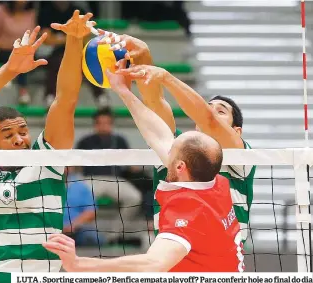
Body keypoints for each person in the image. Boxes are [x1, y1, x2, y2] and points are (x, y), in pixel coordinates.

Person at [43, 67, 243, 272]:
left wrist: (79, 264)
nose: (168, 145)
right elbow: (159, 134)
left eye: (173, 148)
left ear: (180, 166)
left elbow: (153, 263)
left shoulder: (188, 210)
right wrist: (122, 90)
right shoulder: (216, 182)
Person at [0, 11, 96, 282]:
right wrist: (9, 70)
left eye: (23, 131)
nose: (19, 139)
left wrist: (74, 41)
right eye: (8, 134)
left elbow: (65, 101)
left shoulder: (47, 163)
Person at [98, 31, 256, 243]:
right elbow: (155, 102)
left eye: (221, 111)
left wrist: (166, 77)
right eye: (209, 107)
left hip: (220, 255)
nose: (210, 112)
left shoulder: (240, 156)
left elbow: (207, 118)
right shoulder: (179, 145)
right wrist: (143, 54)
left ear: (236, 131)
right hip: (172, 252)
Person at [38, 1, 107, 108]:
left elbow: (85, 35)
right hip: (54, 50)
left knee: (89, 60)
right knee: (56, 61)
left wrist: (62, 37)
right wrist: (71, 36)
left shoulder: (79, 11)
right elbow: (47, 39)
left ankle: (100, 96)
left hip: (78, 48)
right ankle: (50, 96)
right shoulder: (46, 12)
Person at [0, 0, 36, 104]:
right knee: (17, 57)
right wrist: (11, 46)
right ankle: (16, 84)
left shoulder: (32, 13)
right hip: (2, 50)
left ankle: (21, 89)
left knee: (23, 57)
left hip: (24, 52)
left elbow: (32, 35)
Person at [63, 167, 106, 246]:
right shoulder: (44, 185)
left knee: (94, 238)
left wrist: (72, 226)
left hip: (76, 230)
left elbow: (91, 212)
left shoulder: (80, 186)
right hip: (50, 229)